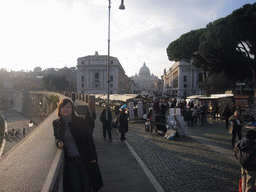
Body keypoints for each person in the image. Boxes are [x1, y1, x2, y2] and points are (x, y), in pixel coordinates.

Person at [53, 98, 103, 192]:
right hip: (71, 162)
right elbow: (56, 136)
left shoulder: (79, 120)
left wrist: (93, 158)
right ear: (59, 109)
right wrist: (58, 142)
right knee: (76, 187)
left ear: (72, 109)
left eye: (68, 107)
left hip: (84, 159)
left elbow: (89, 139)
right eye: (63, 107)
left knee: (87, 185)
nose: (66, 109)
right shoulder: (56, 123)